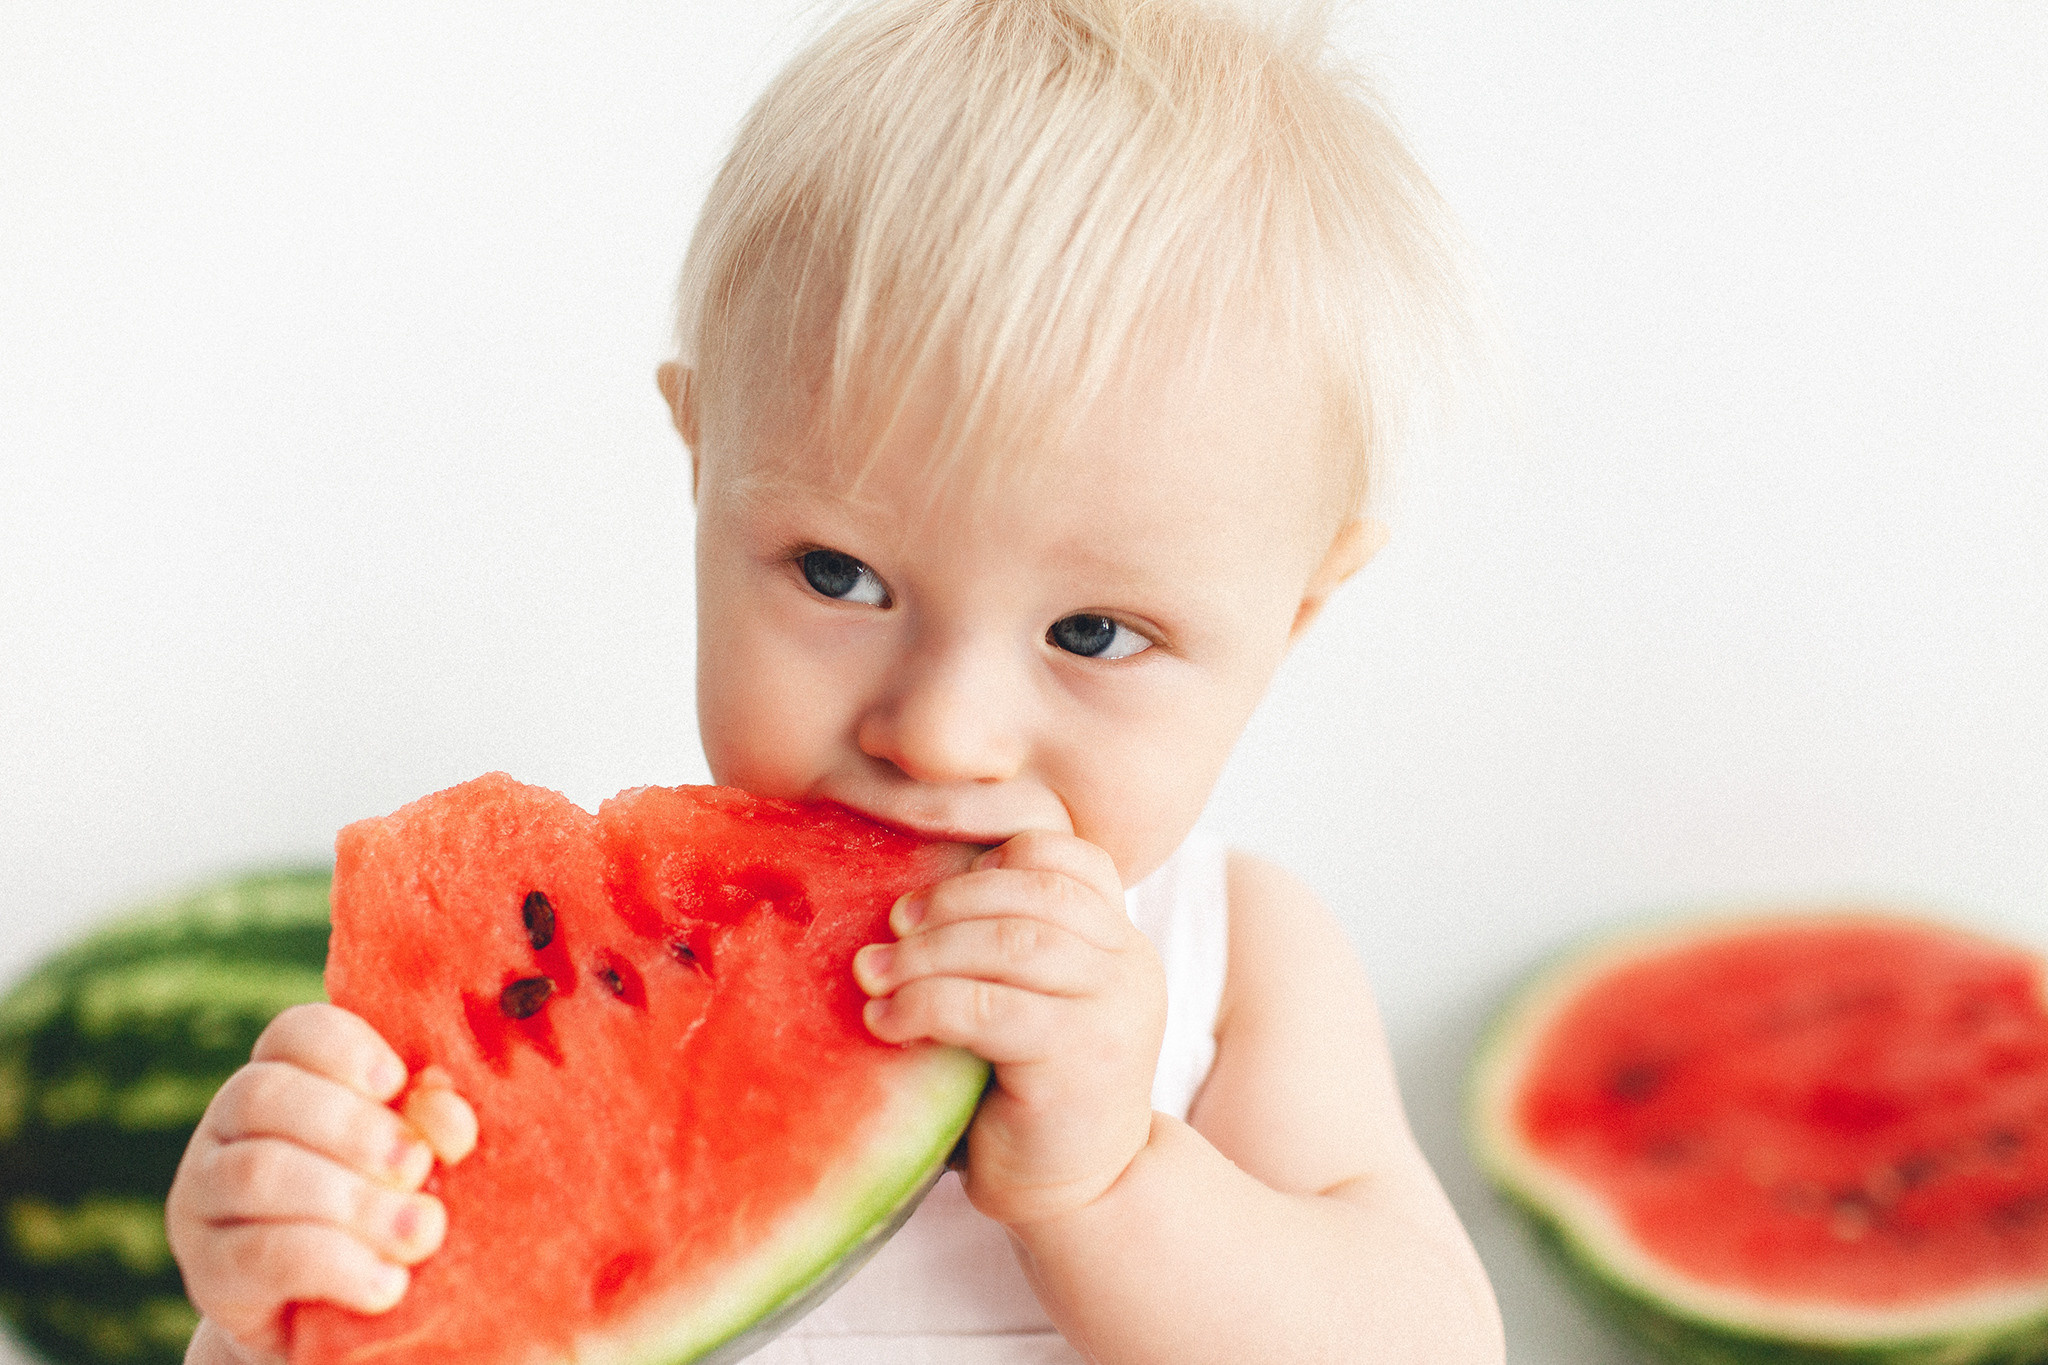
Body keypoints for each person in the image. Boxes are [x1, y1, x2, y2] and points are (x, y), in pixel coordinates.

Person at [167, 1, 1505, 1360]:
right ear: (705, 464)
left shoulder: (1238, 959)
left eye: (1095, 633)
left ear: (1296, 614)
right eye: (839, 575)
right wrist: (278, 1298)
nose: (943, 734)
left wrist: (1111, 1183)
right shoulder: (568, 982)